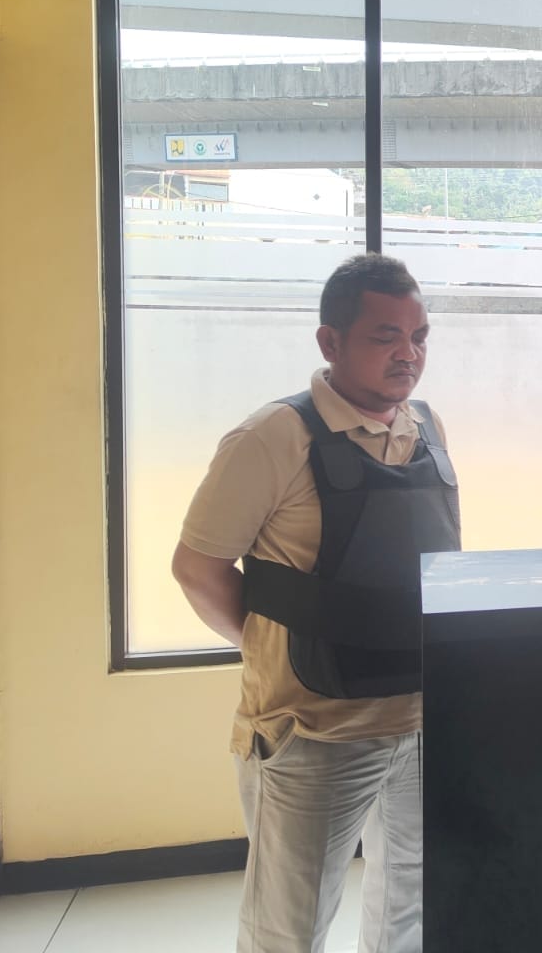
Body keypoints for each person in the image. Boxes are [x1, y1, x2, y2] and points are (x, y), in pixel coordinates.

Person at [172, 252, 455, 953]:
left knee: (411, 912)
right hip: (311, 729)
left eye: (419, 336)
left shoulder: (426, 426)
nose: (409, 354)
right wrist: (271, 645)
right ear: (331, 342)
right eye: (386, 336)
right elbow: (197, 568)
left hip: (424, 721)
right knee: (288, 927)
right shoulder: (274, 436)